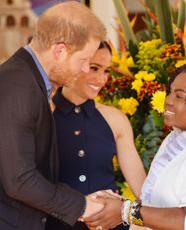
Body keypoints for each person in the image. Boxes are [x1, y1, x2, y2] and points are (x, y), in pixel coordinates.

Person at [85, 58, 186, 230]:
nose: (168, 100)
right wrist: (117, 206)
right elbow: (155, 206)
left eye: (179, 96)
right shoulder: (174, 140)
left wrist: (125, 211)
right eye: (169, 92)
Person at [0, 1, 107, 230]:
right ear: (60, 51)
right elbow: (20, 180)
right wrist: (83, 206)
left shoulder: (28, 80)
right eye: (84, 60)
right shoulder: (18, 85)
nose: (86, 69)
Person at [47, 41, 146, 230]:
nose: (101, 79)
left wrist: (146, 224)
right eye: (94, 68)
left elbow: (143, 191)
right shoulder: (42, 115)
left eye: (106, 71)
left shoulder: (116, 119)